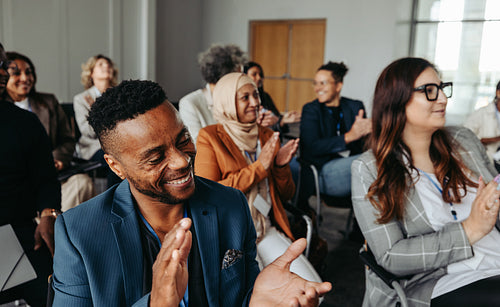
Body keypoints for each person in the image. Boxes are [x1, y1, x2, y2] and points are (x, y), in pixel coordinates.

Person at [51, 79, 331, 306]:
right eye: (155, 157)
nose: (181, 160)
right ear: (116, 166)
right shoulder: (78, 233)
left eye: (182, 139)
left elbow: (243, 298)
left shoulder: (230, 205)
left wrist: (259, 301)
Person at [352, 57, 500, 306]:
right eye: (430, 91)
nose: (442, 98)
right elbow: (391, 256)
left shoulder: (463, 140)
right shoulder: (369, 168)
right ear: (397, 100)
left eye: (442, 88)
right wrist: (469, 230)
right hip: (438, 280)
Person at [195, 73, 321, 282]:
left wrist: (280, 166)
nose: (255, 103)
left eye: (256, 95)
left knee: (310, 287)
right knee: (258, 294)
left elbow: (286, 195)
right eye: (245, 97)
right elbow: (208, 193)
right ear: (227, 101)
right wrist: (260, 167)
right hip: (229, 234)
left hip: (263, 228)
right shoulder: (210, 137)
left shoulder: (268, 136)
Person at [0, 42, 61, 307]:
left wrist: (48, 215)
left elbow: (45, 177)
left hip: (16, 230)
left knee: (51, 290)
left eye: (5, 66)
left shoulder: (24, 122)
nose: (3, 73)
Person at [6, 51, 94, 211]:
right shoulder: (5, 112)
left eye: (29, 72)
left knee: (82, 183)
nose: (25, 78)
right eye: (16, 73)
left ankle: (61, 227)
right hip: (20, 181)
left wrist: (56, 160)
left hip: (54, 174)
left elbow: (68, 139)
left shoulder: (48, 101)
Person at [300, 61, 371, 200]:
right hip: (323, 171)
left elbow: (364, 145)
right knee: (374, 164)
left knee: (381, 160)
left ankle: (363, 220)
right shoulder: (311, 110)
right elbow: (312, 147)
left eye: (323, 83)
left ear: (338, 86)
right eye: (316, 83)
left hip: (354, 167)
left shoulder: (355, 106)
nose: (317, 88)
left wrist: (373, 132)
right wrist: (349, 136)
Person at [179, 44, 247, 143]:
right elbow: (199, 146)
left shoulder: (237, 99)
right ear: (224, 78)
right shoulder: (189, 103)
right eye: (237, 76)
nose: (241, 80)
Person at [73, 54, 121, 187]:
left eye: (108, 65)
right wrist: (96, 109)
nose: (106, 66)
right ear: (91, 73)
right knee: (116, 160)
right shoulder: (81, 99)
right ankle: (114, 203)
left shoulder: (120, 95)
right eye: (101, 64)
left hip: (120, 144)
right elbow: (88, 131)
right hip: (94, 147)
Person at [244, 61, 301, 134]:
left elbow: (277, 119)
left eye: (260, 75)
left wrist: (284, 119)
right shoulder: (241, 100)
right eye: (254, 74)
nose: (259, 78)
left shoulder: (265, 96)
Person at [464, 80, 500, 168]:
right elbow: (464, 139)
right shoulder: (481, 114)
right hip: (484, 165)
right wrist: (495, 139)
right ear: (498, 93)